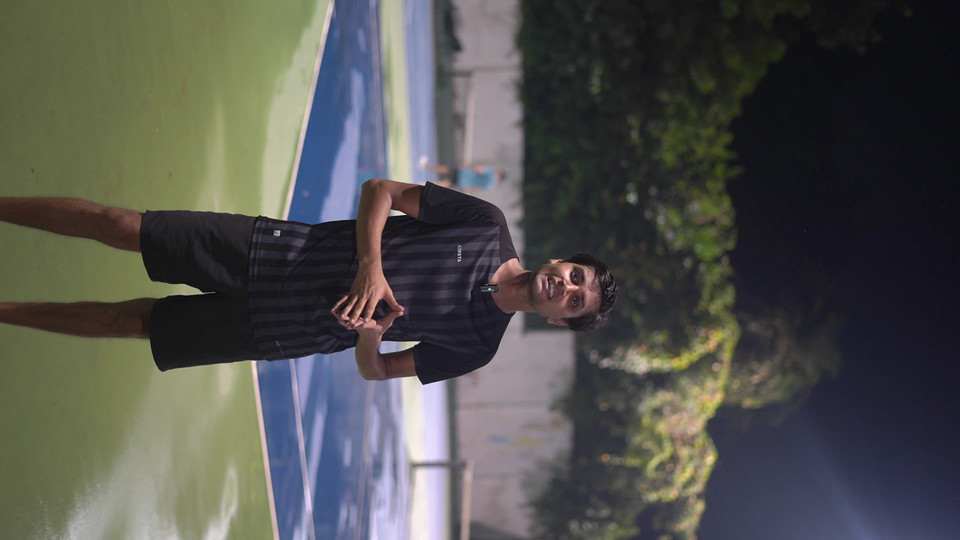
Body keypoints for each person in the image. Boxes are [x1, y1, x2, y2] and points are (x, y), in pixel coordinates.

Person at [0, 179, 618, 384]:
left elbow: (378, 371)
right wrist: (371, 264)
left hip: (278, 330)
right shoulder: (486, 223)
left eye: (574, 300)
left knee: (132, 323)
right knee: (122, 225)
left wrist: (371, 334)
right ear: (563, 260)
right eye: (575, 275)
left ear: (558, 320)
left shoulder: (476, 346)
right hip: (275, 253)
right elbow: (380, 191)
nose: (565, 286)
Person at [418, 156, 505, 193]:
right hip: (463, 183)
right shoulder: (490, 186)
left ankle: (426, 166)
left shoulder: (491, 173)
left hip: (464, 174)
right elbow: (475, 189)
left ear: (500, 174)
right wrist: (464, 189)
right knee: (446, 183)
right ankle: (424, 185)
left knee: (446, 170)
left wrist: (467, 166)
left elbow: (478, 169)